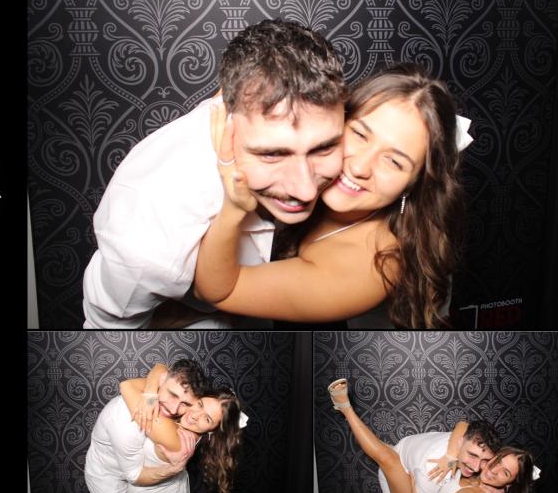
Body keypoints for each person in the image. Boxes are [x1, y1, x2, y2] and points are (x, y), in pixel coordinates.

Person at [82, 18, 347, 328]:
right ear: (226, 123)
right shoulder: (150, 239)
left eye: (324, 148)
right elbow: (110, 333)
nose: (305, 190)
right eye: (272, 154)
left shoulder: (256, 103)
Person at [195, 62, 471, 328]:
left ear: (412, 185)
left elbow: (218, 291)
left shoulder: (370, 267)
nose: (360, 167)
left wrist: (234, 207)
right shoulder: (310, 159)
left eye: (394, 162)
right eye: (360, 134)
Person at [327, 378, 538, 493]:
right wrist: (451, 455)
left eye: (505, 473)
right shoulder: (477, 461)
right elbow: (463, 424)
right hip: (415, 477)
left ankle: (346, 408)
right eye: (497, 463)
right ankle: (346, 408)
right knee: (388, 455)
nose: (484, 468)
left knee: (389, 461)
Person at [84, 359, 207, 493]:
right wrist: (173, 469)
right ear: (162, 381)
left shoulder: (161, 388)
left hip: (138, 468)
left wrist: (151, 390)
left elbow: (160, 367)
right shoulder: (124, 422)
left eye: (185, 404)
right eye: (172, 394)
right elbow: (134, 475)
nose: (173, 409)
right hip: (107, 476)